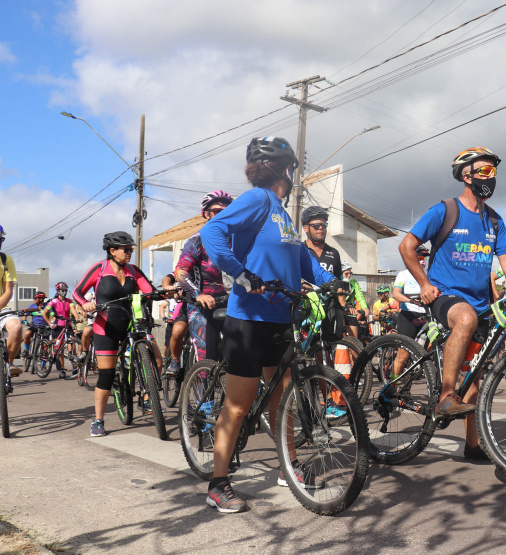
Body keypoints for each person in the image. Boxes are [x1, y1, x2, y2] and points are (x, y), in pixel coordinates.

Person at [199, 136, 336, 514]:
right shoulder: (258, 199)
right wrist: (240, 273)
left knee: (284, 400)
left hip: (282, 318)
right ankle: (217, 483)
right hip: (250, 320)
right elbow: (212, 233)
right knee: (238, 406)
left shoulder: (283, 213)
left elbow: (301, 262)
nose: (294, 174)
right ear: (279, 168)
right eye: (291, 167)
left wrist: (331, 281)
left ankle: (287, 467)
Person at [398, 146, 506, 461]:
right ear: (466, 175)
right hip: (444, 296)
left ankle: (472, 444)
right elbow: (407, 245)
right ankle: (445, 396)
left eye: (493, 170)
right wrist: (424, 284)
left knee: (476, 373)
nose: (490, 176)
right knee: (465, 318)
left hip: (481, 304)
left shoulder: (495, 221)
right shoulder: (445, 210)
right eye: (484, 170)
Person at [73, 231, 155, 438]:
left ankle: (147, 395)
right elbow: (77, 292)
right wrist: (86, 304)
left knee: (152, 355)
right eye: (126, 250)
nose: (129, 253)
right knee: (107, 375)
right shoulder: (99, 269)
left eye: (131, 249)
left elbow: (149, 290)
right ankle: (98, 420)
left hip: (131, 324)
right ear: (112, 251)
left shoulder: (133, 271)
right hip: (105, 326)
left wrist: (163, 293)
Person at [167, 190, 233, 373]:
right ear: (206, 214)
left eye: (228, 210)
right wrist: (199, 294)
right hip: (201, 304)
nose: (223, 214)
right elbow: (180, 272)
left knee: (243, 353)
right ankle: (205, 400)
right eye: (217, 211)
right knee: (206, 358)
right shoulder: (198, 239)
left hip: (231, 301)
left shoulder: (236, 240)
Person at [391, 245, 430, 376]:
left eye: (424, 258)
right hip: (408, 316)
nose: (423, 261)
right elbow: (395, 294)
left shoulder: (428, 275)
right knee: (403, 357)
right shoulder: (404, 275)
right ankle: (392, 387)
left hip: (426, 316)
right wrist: (410, 300)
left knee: (432, 351)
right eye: (420, 258)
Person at [0, 225, 22, 375]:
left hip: (1, 307)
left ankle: (8, 364)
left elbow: (8, 291)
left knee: (16, 326)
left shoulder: (5, 259)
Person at [42, 282, 74, 378]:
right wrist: (50, 323)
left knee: (72, 345)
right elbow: (44, 313)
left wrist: (77, 318)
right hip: (58, 326)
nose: (64, 291)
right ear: (58, 291)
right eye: (62, 290)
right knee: (60, 348)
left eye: (65, 290)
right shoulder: (54, 302)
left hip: (67, 325)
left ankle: (75, 367)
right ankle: (61, 368)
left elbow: (73, 310)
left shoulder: (69, 301)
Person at [301, 206, 342, 278]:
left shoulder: (334, 253)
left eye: (324, 225)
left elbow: (339, 282)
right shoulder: (299, 250)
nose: (321, 228)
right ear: (305, 228)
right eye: (316, 226)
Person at [22, 291, 50, 372]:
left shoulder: (47, 307)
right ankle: (26, 350)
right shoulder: (32, 306)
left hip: (44, 327)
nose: (33, 299)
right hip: (34, 326)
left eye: (35, 298)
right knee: (27, 333)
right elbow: (25, 315)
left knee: (45, 346)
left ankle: (43, 365)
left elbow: (52, 316)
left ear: (41, 299)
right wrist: (25, 321)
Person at [340, 261, 367, 339]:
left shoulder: (354, 282)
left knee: (354, 341)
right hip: (338, 313)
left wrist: (365, 307)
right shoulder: (336, 282)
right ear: (340, 274)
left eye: (350, 273)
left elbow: (360, 296)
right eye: (346, 273)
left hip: (350, 312)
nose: (349, 276)